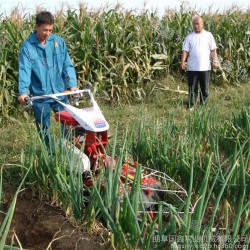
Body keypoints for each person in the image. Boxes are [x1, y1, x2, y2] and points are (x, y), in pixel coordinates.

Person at [18, 11, 78, 146]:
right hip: (41, 95)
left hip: (59, 93)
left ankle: (70, 150)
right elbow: (24, 69)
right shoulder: (28, 47)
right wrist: (23, 92)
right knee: (44, 128)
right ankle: (50, 154)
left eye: (50, 30)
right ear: (36, 26)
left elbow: (66, 65)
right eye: (45, 30)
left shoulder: (58, 42)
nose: (48, 33)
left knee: (69, 123)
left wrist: (72, 85)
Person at [180, 16, 219, 108]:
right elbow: (185, 51)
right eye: (194, 24)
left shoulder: (208, 35)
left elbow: (213, 50)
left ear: (202, 24)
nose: (196, 25)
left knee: (204, 88)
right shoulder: (189, 37)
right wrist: (182, 62)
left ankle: (203, 105)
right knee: (192, 88)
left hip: (205, 67)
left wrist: (215, 61)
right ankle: (191, 105)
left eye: (197, 23)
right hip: (192, 68)